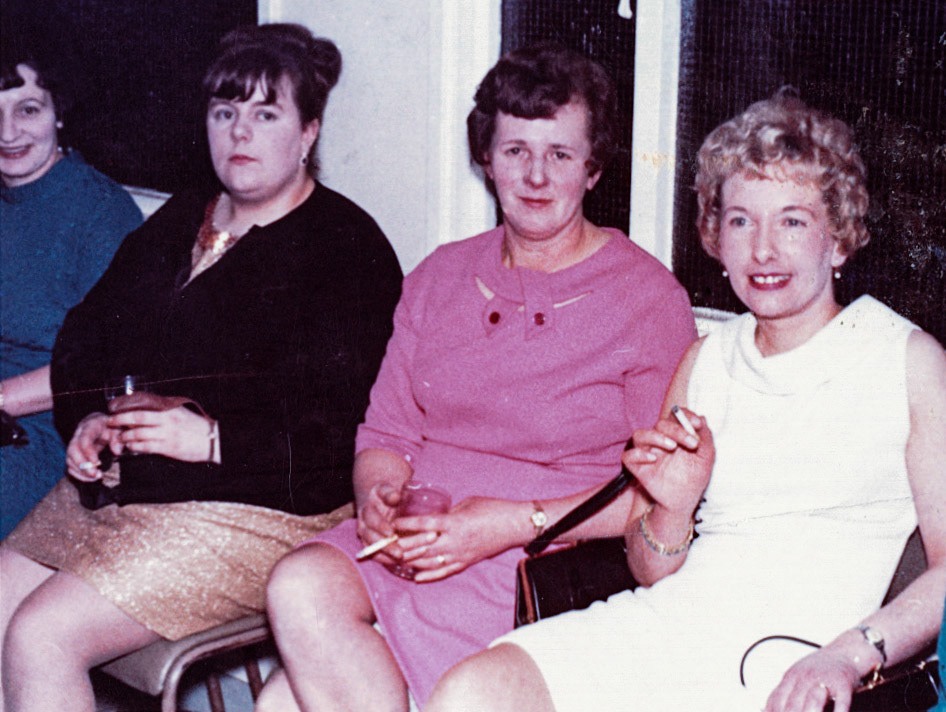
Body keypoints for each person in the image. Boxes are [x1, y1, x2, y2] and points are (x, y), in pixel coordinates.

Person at [425, 88, 946, 712]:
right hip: (669, 628)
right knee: (469, 691)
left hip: (798, 661)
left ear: (839, 240)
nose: (763, 249)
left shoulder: (905, 359)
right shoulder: (706, 361)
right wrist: (673, 505)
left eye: (792, 221)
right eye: (740, 220)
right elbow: (651, 568)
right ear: (715, 240)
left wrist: (850, 653)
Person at [256, 45, 696, 712]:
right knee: (296, 585)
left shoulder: (647, 298)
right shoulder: (439, 275)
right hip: (412, 541)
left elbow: (651, 494)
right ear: (486, 159)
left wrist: (507, 525)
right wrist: (379, 493)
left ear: (594, 167)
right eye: (516, 150)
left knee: (286, 702)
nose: (537, 175)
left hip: (536, 561)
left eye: (561, 154)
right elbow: (387, 429)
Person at [0, 23, 402, 712]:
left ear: (308, 133)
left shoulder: (346, 247)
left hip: (261, 508)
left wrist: (213, 441)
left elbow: (349, 433)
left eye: (265, 113)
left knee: (42, 636)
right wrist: (90, 416)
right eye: (225, 112)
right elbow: (87, 337)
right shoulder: (187, 216)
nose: (239, 132)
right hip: (134, 485)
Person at [0, 35, 142, 537]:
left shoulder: (102, 213)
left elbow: (105, 363)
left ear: (59, 112)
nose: (8, 131)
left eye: (29, 109)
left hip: (43, 432)